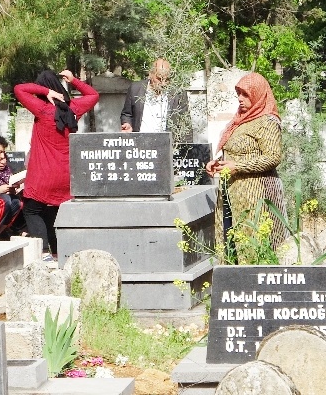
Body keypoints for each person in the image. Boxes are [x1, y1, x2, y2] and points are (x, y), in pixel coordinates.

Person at [14, 69, 99, 259]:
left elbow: (19, 89)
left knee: (31, 211)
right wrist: (74, 80)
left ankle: (43, 252)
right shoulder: (74, 109)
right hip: (66, 176)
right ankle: (58, 254)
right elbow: (93, 95)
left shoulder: (43, 109)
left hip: (43, 174)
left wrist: (45, 93)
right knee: (52, 215)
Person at [205, 72, 288, 263]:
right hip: (231, 192)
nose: (240, 99)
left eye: (246, 94)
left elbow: (273, 157)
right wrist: (217, 162)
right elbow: (234, 149)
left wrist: (238, 166)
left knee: (253, 245)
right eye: (239, 94)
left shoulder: (267, 121)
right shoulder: (240, 120)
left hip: (256, 194)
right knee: (230, 244)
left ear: (258, 94)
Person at [119, 58, 192, 142]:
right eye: (159, 79)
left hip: (166, 146)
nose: (163, 83)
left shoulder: (178, 94)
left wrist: (187, 150)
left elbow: (186, 125)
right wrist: (127, 124)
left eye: (167, 79)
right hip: (140, 145)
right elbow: (127, 114)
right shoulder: (135, 89)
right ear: (150, 74)